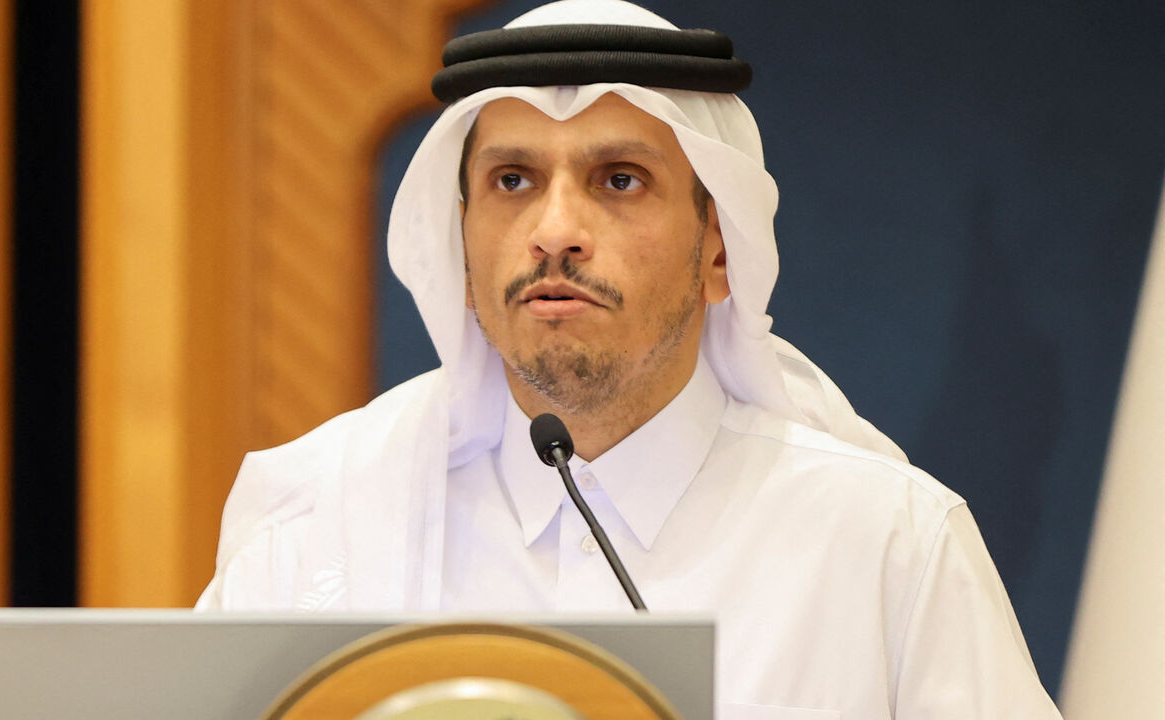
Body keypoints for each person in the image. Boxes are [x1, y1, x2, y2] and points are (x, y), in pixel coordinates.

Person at [197, 1, 1062, 716]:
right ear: (460, 248)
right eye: (511, 180)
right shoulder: (318, 521)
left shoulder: (885, 544)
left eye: (619, 179)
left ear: (720, 251)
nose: (554, 232)